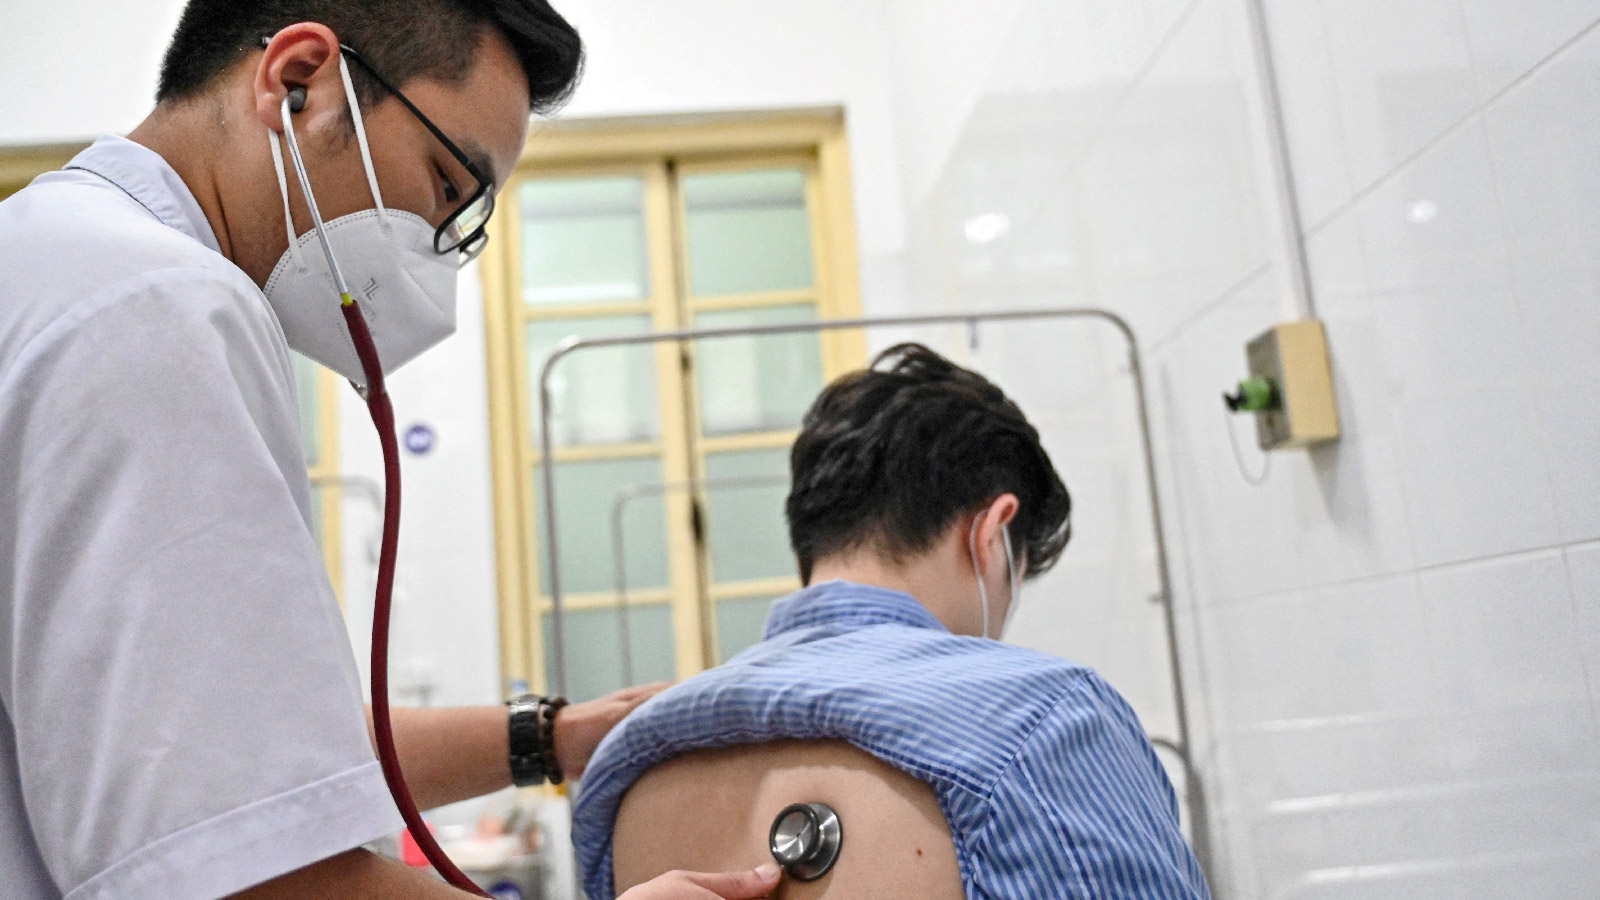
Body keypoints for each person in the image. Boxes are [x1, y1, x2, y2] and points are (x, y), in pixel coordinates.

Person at [0, 2, 778, 898]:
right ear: (300, 83)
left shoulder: (53, 259)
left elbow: (220, 744)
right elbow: (244, 870)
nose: (438, 252)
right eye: (447, 187)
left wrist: (553, 737)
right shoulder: (161, 306)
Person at [573, 344, 1211, 900]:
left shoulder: (628, 769)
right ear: (991, 534)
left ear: (807, 538)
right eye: (1013, 582)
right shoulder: (1042, 718)